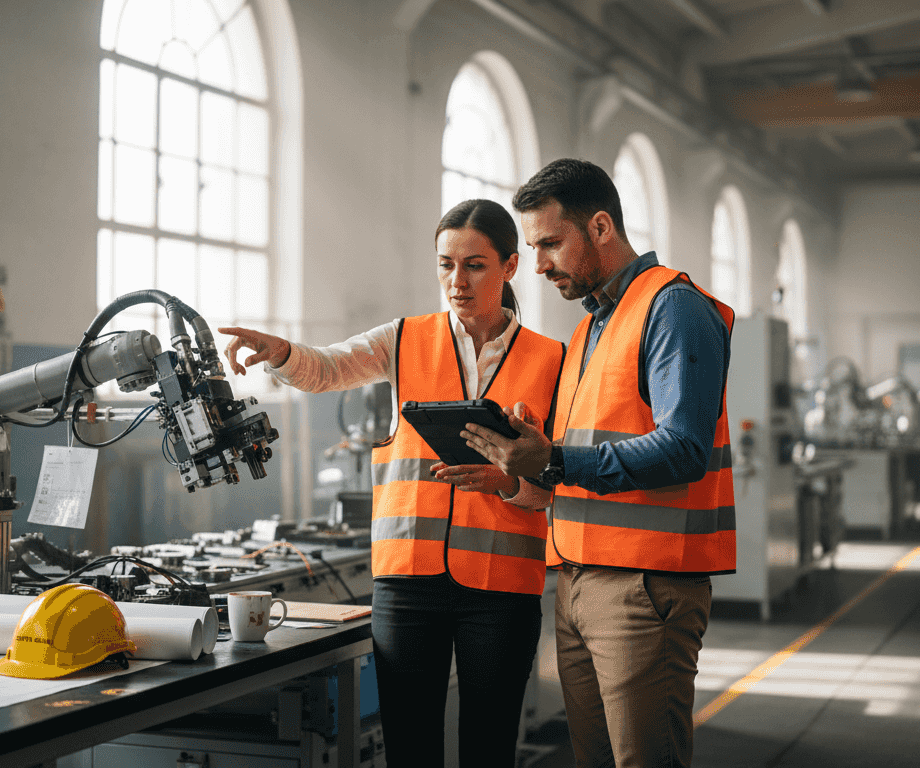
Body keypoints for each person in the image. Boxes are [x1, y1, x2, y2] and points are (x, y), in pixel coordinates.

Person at [218, 198, 566, 768]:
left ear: (510, 266)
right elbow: (327, 367)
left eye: (475, 265)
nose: (457, 281)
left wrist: (504, 485)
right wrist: (280, 352)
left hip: (502, 588)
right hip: (408, 584)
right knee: (409, 746)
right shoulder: (403, 340)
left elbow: (555, 486)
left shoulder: (552, 360)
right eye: (445, 264)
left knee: (489, 745)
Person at [461, 158, 735, 768]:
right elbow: (576, 462)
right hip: (579, 579)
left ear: (602, 226)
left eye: (551, 243)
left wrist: (555, 457)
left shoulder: (674, 308)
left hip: (644, 587)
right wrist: (519, 468)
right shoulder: (589, 332)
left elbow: (684, 448)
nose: (538, 265)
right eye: (533, 247)